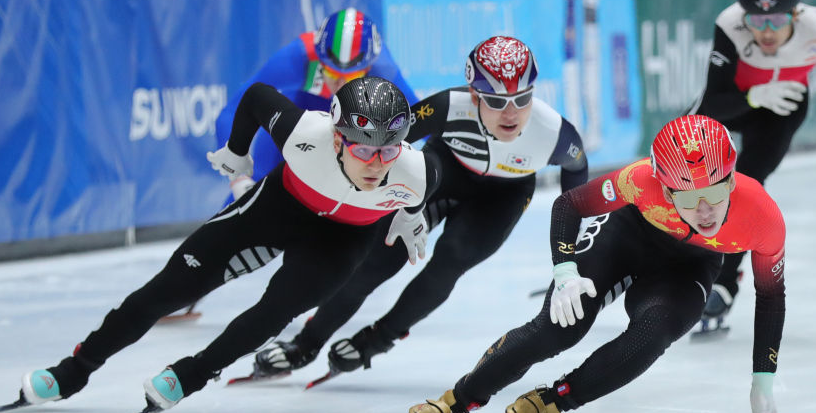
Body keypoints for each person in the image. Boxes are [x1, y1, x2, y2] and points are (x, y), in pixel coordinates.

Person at [0, 77, 442, 413]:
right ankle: (73, 371)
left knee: (272, 314)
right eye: (365, 151)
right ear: (337, 138)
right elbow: (256, 95)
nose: (377, 164)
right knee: (168, 290)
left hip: (343, 239)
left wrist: (409, 214)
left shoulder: (416, 170)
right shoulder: (304, 132)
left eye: (388, 152)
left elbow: (426, 185)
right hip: (278, 207)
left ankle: (190, 375)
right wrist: (237, 153)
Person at [396, 115, 793, 413]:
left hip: (687, 267)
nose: (704, 211)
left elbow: (771, 297)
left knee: (653, 334)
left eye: (713, 193)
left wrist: (763, 380)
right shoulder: (640, 180)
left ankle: (554, 401)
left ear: (731, 179)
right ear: (665, 187)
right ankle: (458, 401)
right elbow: (569, 205)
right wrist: (565, 270)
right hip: (626, 237)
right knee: (557, 329)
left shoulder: (762, 216)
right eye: (687, 198)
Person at [243, 35, 589, 384]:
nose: (512, 112)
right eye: (497, 101)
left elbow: (576, 176)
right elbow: (382, 139)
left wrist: (571, 254)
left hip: (504, 196)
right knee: (378, 260)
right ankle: (306, 343)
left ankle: (378, 339)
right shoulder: (449, 106)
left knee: (451, 259)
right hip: (442, 174)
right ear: (474, 95)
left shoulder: (555, 134)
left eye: (523, 98)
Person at [687, 0, 816, 333]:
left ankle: (724, 281)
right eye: (756, 21)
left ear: (796, 14)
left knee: (744, 185)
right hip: (738, 99)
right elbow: (712, 103)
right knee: (673, 155)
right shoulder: (729, 23)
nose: (766, 32)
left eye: (777, 22)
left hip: (782, 109)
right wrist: (753, 96)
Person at [215, 7, 416, 202]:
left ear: (369, 68)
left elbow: (418, 116)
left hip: (351, 128)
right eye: (332, 73)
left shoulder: (383, 69)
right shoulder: (298, 58)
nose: (341, 84)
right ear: (319, 61)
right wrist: (238, 176)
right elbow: (231, 111)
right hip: (303, 113)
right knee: (259, 181)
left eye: (352, 76)